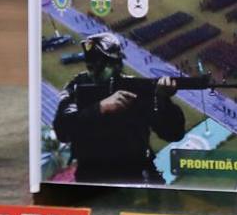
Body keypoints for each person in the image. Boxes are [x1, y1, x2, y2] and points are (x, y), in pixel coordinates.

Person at [51, 33, 188, 185]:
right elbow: (62, 130)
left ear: (116, 65)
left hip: (137, 174)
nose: (93, 72)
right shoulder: (76, 87)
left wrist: (164, 101)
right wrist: (100, 108)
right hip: (93, 176)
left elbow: (173, 133)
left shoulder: (135, 88)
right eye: (90, 66)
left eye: (100, 65)